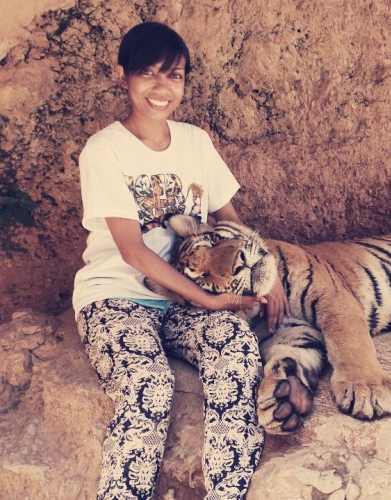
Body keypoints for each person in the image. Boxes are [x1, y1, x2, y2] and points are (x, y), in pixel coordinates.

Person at [72, 21, 289, 499]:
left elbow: (229, 220)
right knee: (149, 385)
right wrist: (207, 301)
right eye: (148, 73)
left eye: (174, 75)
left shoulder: (195, 142)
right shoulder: (104, 151)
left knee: (235, 351)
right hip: (116, 299)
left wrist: (265, 275)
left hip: (185, 303)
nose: (161, 87)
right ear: (122, 76)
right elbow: (132, 250)